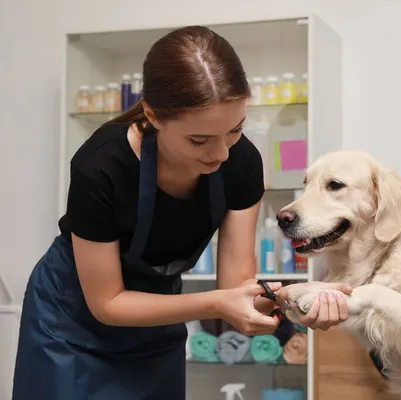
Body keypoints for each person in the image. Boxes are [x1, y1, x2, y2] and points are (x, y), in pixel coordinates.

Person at [12, 25, 352, 400]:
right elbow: (107, 303)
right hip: (72, 325)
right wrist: (214, 303)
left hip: (158, 323)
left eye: (235, 130)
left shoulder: (242, 163)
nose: (221, 153)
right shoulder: (102, 166)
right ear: (154, 116)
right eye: (199, 140)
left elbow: (235, 288)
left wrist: (293, 298)